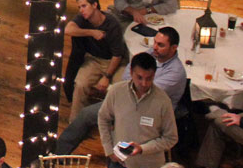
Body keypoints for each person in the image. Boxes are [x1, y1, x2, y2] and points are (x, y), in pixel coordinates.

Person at [57, 27, 186, 155]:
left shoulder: (175, 72)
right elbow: (128, 74)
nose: (155, 47)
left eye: (161, 45)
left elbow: (145, 91)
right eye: (155, 42)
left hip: (150, 114)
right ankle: (57, 153)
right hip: (127, 101)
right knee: (86, 114)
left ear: (174, 48)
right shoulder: (153, 53)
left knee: (122, 131)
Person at [98, 52, 178, 168]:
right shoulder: (116, 92)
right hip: (121, 164)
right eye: (139, 77)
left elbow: (171, 138)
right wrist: (108, 150)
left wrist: (143, 149)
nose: (144, 83)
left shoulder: (162, 101)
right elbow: (103, 118)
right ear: (131, 72)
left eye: (149, 78)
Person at [64, 0, 130, 121]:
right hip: (94, 60)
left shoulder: (112, 24)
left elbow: (117, 55)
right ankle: (76, 122)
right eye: (79, 7)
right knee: (80, 84)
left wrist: (106, 77)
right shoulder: (82, 19)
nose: (81, 10)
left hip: (114, 61)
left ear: (94, 5)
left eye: (84, 6)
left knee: (118, 89)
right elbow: (67, 30)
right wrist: (91, 32)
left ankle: (113, 120)